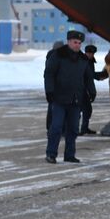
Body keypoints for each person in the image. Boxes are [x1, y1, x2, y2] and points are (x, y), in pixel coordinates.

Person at [44, 31, 96, 164]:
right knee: (56, 127)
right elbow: (49, 73)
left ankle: (69, 155)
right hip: (59, 98)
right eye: (75, 42)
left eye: (79, 43)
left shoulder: (83, 59)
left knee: (73, 129)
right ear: (68, 41)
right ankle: (51, 154)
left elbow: (88, 77)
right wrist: (49, 91)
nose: (77, 45)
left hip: (76, 99)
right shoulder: (58, 55)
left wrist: (92, 91)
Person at [45, 41, 66, 132]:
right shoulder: (57, 57)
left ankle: (50, 127)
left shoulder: (50, 56)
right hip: (57, 86)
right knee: (57, 108)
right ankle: (55, 128)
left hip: (52, 86)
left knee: (52, 108)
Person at [79, 44, 98, 135]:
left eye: (92, 53)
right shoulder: (83, 61)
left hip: (86, 89)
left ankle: (84, 128)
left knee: (87, 110)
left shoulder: (90, 61)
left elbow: (91, 76)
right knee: (80, 110)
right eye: (89, 53)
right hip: (81, 89)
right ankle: (77, 128)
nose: (91, 55)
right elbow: (88, 76)